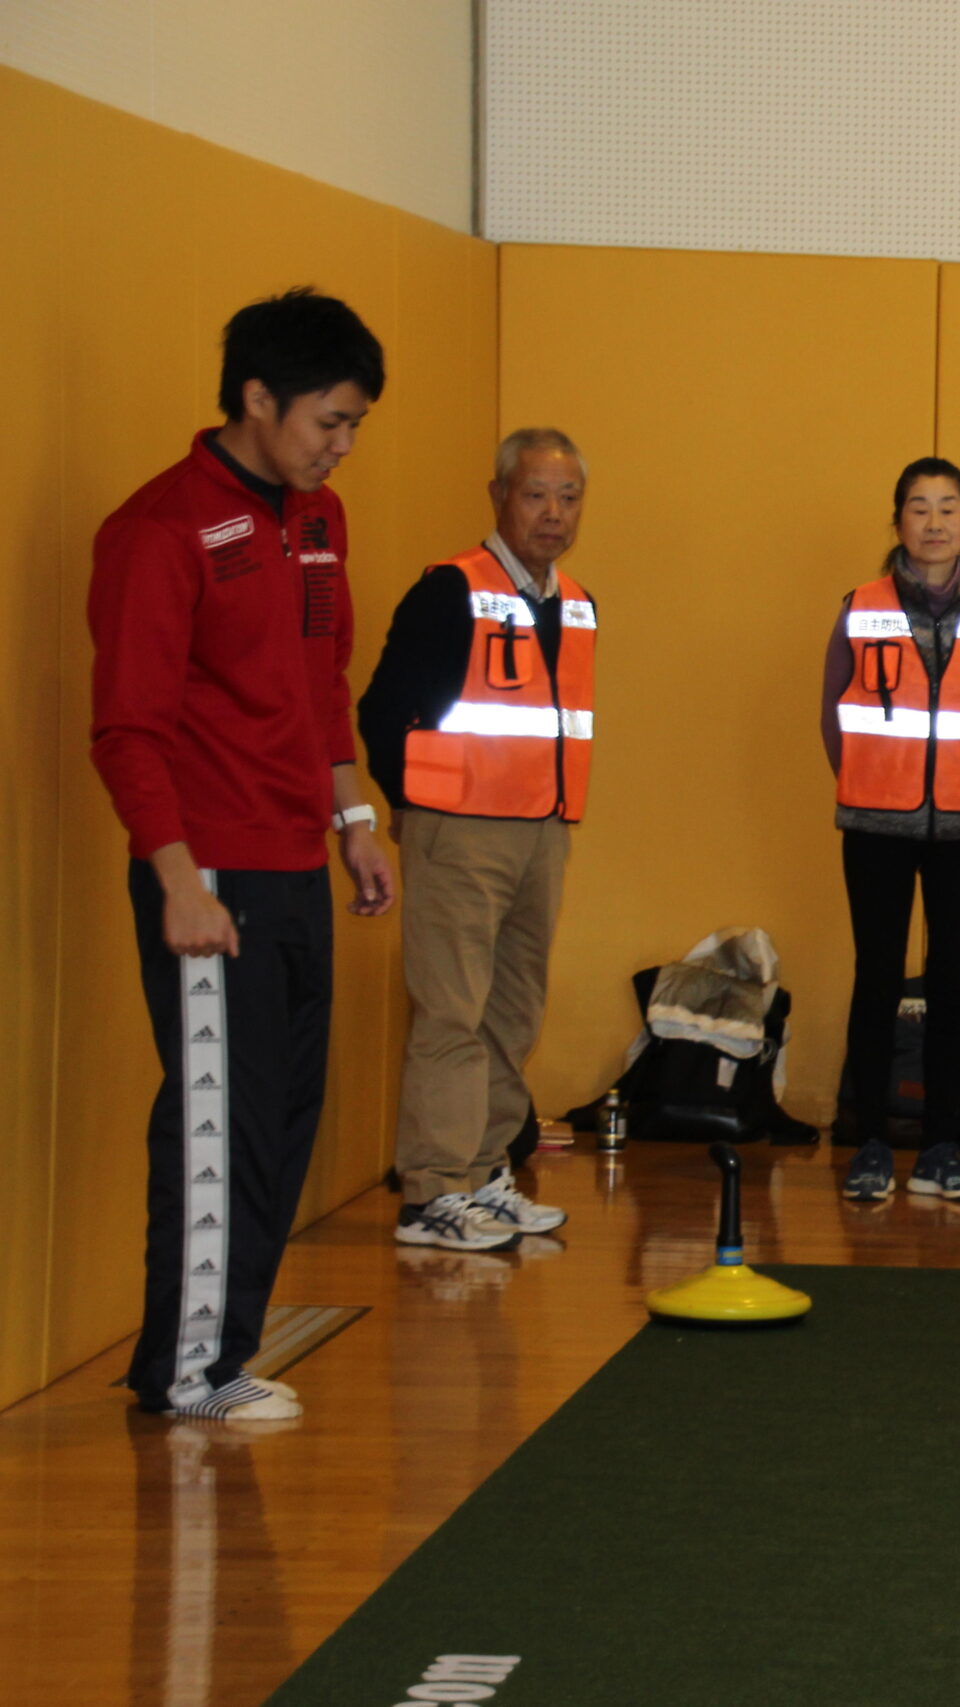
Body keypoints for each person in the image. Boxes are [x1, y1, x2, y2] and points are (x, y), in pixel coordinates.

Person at [89, 288, 395, 1422]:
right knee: (219, 1120)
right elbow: (128, 727)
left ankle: (223, 1354)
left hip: (294, 861)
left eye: (356, 424)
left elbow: (321, 683)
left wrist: (352, 821)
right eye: (328, 420)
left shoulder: (320, 520)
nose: (342, 444)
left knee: (281, 1119)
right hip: (206, 874)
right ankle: (188, 1370)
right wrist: (176, 884)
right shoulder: (160, 530)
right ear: (257, 399)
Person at [358, 428, 595, 1252]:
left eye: (568, 498)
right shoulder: (450, 590)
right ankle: (432, 1189)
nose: (553, 514)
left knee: (512, 1013)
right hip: (458, 831)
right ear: (498, 494)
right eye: (536, 494)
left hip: (543, 832)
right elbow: (382, 711)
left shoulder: (575, 603)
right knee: (451, 1011)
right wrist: (412, 810)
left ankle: (487, 1171)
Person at [822, 457, 960, 1203]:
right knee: (877, 977)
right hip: (876, 820)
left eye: (948, 508)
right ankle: (868, 1141)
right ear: (897, 522)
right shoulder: (860, 605)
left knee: (949, 981)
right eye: (918, 508)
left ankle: (942, 1146)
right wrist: (876, 785)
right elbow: (831, 717)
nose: (934, 523)